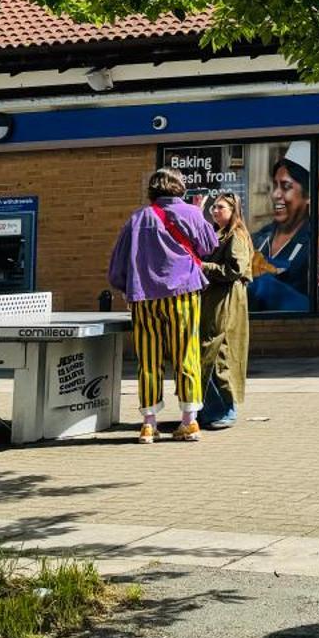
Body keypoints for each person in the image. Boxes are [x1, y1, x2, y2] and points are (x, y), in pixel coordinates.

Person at [107, 167, 217, 443]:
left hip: (145, 298)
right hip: (184, 295)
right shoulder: (191, 214)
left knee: (148, 360)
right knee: (187, 356)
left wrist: (125, 287)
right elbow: (209, 245)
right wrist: (199, 213)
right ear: (180, 187)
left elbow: (118, 265)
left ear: (152, 190)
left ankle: (148, 424)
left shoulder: (138, 218)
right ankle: (189, 421)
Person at [197, 193, 252, 430]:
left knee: (220, 353)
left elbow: (235, 269)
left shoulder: (236, 236)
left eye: (220, 207)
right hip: (213, 300)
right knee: (208, 352)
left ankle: (225, 410)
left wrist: (203, 266)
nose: (215, 211)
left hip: (227, 300)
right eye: (214, 208)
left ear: (233, 210)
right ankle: (209, 411)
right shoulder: (218, 233)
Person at [247, 155, 314, 314]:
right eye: (275, 186)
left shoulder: (313, 245)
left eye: (286, 186)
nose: (275, 194)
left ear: (309, 196)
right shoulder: (257, 239)